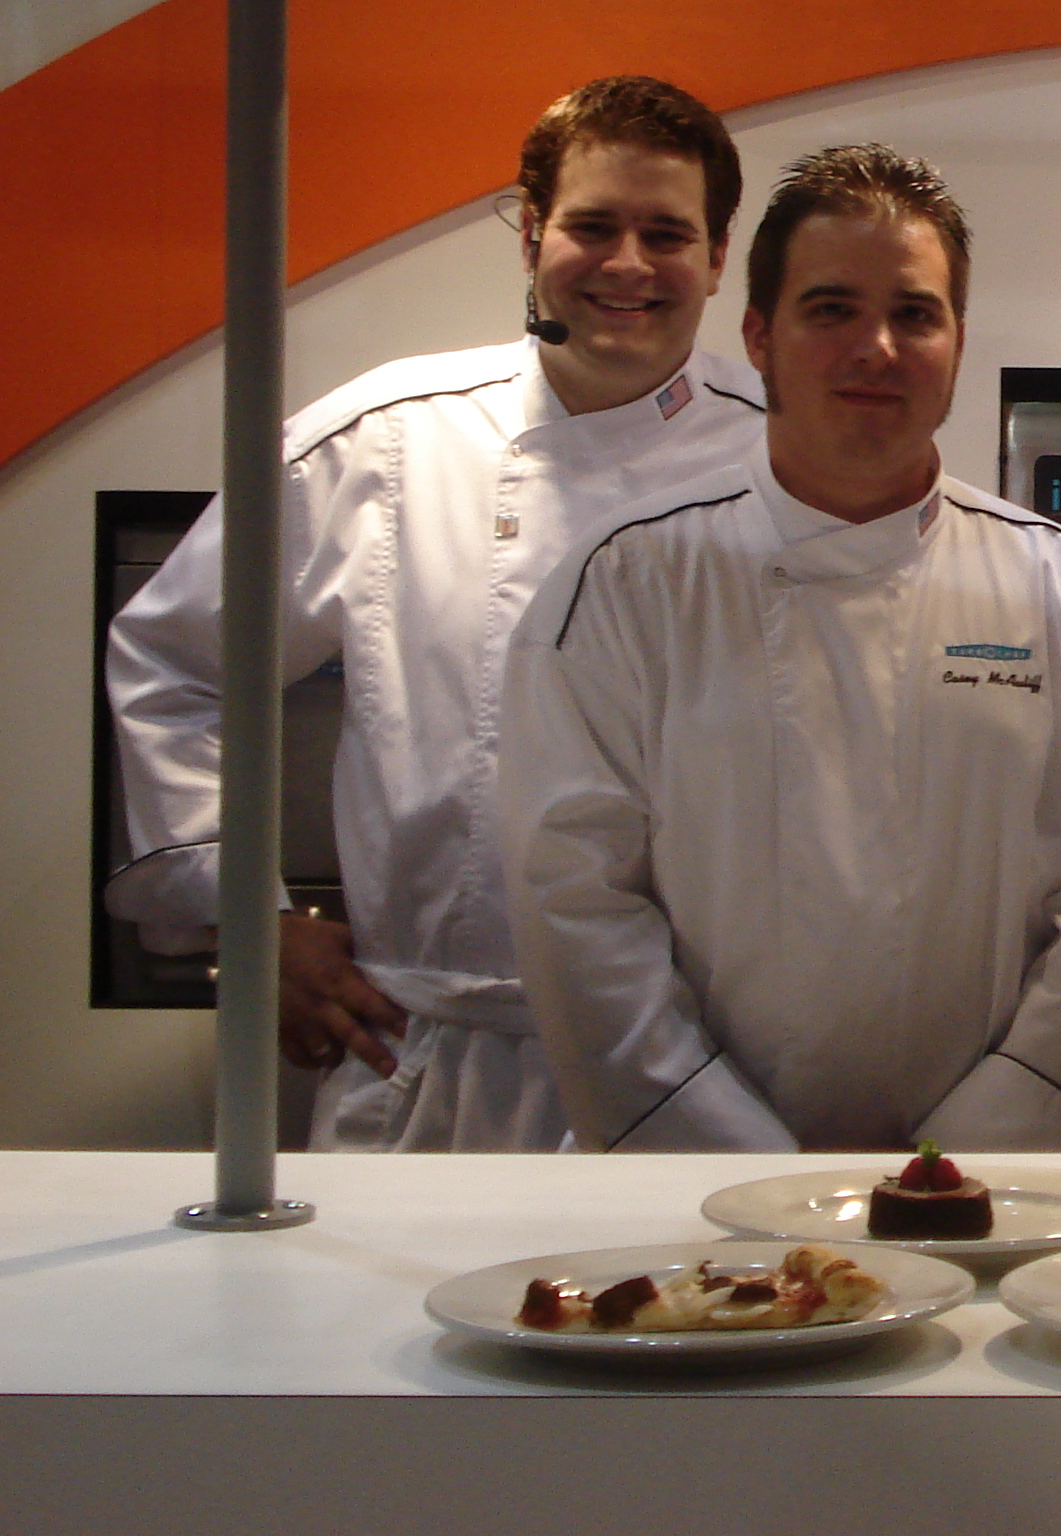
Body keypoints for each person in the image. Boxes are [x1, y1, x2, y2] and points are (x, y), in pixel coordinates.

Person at [103, 76, 766, 1151]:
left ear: (718, 256)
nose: (630, 266)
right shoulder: (388, 442)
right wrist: (252, 919)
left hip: (710, 1066)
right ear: (530, 235)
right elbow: (171, 663)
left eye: (667, 234)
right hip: (433, 1061)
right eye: (592, 227)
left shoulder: (786, 453)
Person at [502, 144, 1061, 1151]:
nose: (876, 346)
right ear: (759, 335)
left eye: (915, 313)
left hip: (988, 1189)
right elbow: (573, 896)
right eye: (830, 310)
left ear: (956, 339)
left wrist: (968, 1159)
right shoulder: (628, 582)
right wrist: (734, 1164)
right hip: (701, 1204)